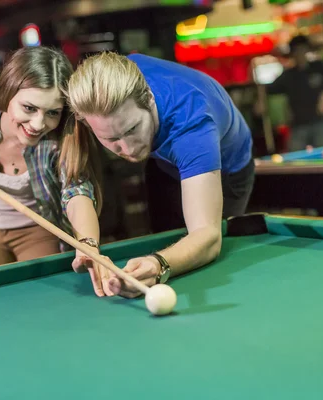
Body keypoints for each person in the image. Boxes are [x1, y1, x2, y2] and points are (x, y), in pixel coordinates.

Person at [63, 51, 255, 298]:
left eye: (132, 128)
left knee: (207, 262)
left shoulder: (191, 125)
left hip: (227, 170)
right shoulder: (103, 88)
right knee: (167, 239)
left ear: (150, 100)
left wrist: (158, 264)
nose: (128, 149)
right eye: (111, 139)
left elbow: (207, 237)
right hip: (163, 161)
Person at [0, 47, 113, 296]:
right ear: (8, 93)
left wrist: (88, 244)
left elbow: (78, 192)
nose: (38, 124)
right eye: (29, 108)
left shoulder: (58, 143)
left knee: (44, 302)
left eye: (52, 113)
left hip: (36, 228)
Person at [262, 35, 323, 151]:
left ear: (308, 50)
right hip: (298, 126)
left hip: (322, 123)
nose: (300, 53)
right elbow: (266, 90)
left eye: (303, 49)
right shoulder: (289, 75)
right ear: (292, 53)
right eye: (297, 50)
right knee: (295, 161)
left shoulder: (320, 67)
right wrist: (259, 99)